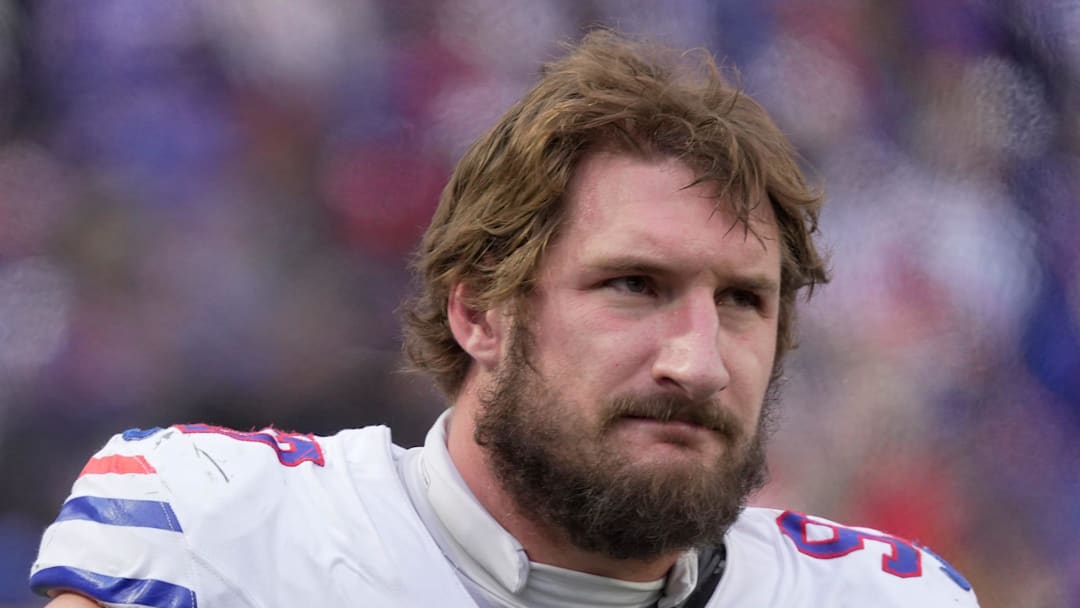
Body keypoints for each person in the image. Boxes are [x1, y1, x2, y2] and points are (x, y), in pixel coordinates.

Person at [31, 30, 978, 607]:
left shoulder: (883, 597)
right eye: (633, 285)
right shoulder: (213, 529)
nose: (699, 362)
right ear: (479, 311)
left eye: (741, 301)